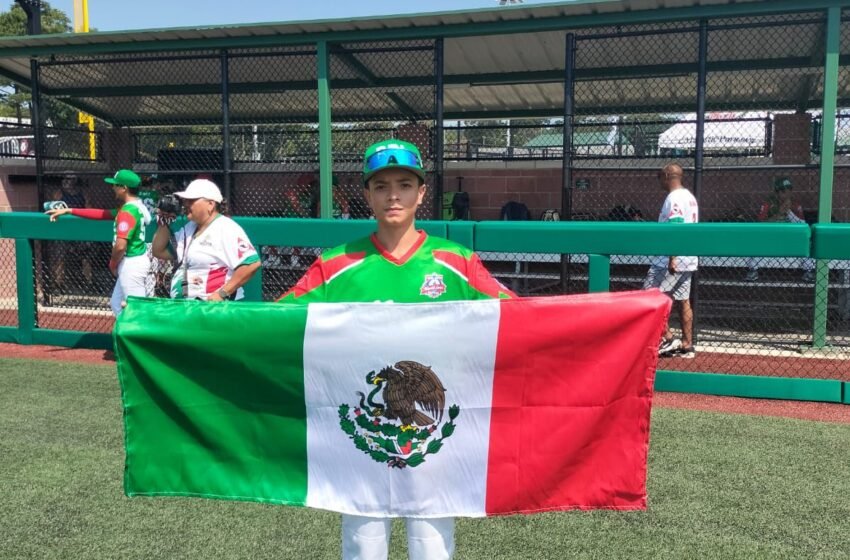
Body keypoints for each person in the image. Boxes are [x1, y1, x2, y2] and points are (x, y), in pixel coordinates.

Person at [278, 139, 514, 560]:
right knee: (363, 545)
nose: (393, 195)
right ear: (366, 194)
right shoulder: (335, 265)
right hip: (359, 438)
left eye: (404, 184)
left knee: (431, 545)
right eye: (381, 185)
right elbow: (273, 324)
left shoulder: (455, 262)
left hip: (438, 437)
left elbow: (518, 321)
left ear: (421, 193)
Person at [46, 169, 152, 316]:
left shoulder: (128, 211)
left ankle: (140, 338)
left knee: (137, 311)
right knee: (117, 304)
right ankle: (124, 337)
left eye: (116, 185)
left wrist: (113, 263)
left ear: (124, 188)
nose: (113, 187)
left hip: (131, 264)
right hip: (134, 262)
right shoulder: (136, 206)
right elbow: (102, 214)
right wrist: (69, 210)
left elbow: (121, 246)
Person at [151, 178, 261, 301]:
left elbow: (251, 263)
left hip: (214, 310)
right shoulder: (189, 228)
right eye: (186, 200)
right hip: (188, 308)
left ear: (211, 204)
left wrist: (222, 294)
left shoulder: (225, 228)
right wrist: (164, 221)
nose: (186, 204)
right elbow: (158, 251)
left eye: (191, 200)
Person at [643, 163, 698, 359]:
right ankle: (687, 344)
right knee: (684, 301)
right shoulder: (689, 197)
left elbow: (676, 226)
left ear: (667, 175)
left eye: (660, 176)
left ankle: (668, 338)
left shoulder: (674, 197)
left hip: (671, 259)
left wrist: (672, 257)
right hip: (689, 258)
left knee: (649, 295)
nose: (659, 180)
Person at [745, 177, 813, 282]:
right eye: (783, 191)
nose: (787, 193)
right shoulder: (768, 203)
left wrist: (789, 212)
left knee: (806, 242)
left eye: (789, 190)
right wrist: (780, 213)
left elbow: (802, 225)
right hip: (772, 237)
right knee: (757, 241)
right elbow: (760, 225)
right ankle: (753, 271)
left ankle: (808, 272)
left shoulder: (795, 204)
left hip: (790, 238)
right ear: (777, 193)